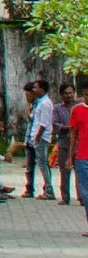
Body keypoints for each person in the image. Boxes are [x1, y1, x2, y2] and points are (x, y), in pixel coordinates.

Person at [30, 80, 58, 200]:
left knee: (42, 164)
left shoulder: (45, 103)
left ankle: (49, 190)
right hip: (38, 136)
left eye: (36, 87)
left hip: (41, 137)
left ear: (42, 89)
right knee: (42, 163)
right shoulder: (39, 102)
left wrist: (37, 137)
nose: (34, 90)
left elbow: (44, 123)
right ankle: (48, 189)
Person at [69, 86, 88, 231]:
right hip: (82, 156)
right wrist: (70, 157)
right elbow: (73, 135)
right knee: (85, 193)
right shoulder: (77, 110)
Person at [58, 86, 78, 207]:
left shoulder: (80, 106)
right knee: (64, 172)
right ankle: (65, 197)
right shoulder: (57, 109)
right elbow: (54, 124)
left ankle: (82, 197)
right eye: (66, 93)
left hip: (79, 145)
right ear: (61, 95)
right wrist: (68, 127)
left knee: (80, 172)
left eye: (71, 93)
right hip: (64, 144)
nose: (69, 95)